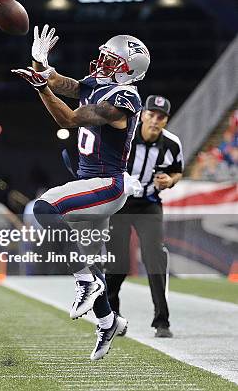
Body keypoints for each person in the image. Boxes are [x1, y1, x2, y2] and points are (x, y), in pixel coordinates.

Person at [12, 25, 149, 360]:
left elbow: (71, 119)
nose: (102, 63)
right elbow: (67, 84)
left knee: (43, 209)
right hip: (90, 181)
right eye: (105, 56)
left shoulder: (125, 98)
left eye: (111, 61)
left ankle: (88, 284)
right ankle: (107, 321)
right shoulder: (100, 86)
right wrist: (41, 64)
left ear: (127, 71)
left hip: (107, 184)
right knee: (78, 254)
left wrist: (43, 89)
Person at [105, 95, 183, 338]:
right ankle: (112, 317)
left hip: (149, 205)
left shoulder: (171, 144)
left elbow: (177, 171)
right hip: (120, 204)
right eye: (151, 115)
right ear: (142, 116)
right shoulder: (124, 137)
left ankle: (162, 321)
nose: (154, 120)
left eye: (160, 117)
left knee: (154, 258)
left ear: (166, 121)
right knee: (118, 263)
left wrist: (169, 181)